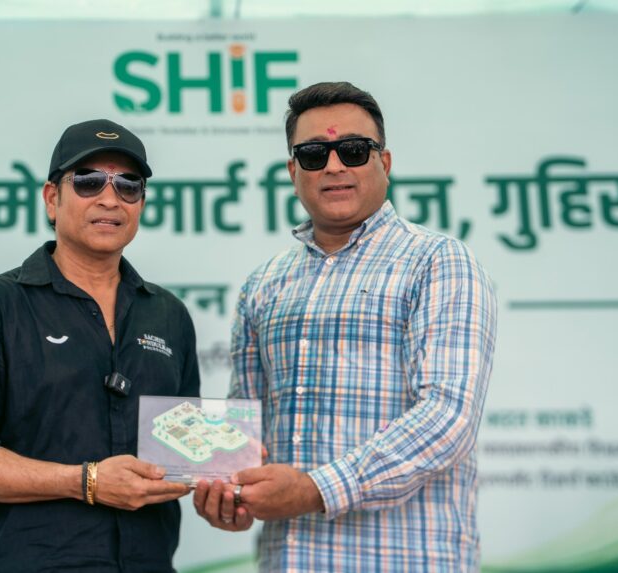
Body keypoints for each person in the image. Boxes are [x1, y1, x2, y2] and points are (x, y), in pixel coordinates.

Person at [194, 82, 498, 571]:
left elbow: (448, 418)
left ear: (385, 163)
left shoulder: (438, 262)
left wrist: (315, 489)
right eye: (314, 154)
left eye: (354, 150)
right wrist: (231, 492)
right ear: (293, 172)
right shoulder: (264, 284)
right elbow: (246, 429)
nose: (334, 166)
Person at [0, 119, 200, 572]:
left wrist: (226, 484)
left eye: (128, 185)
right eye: (89, 181)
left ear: (142, 203)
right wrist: (85, 481)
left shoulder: (169, 315)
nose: (110, 198)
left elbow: (183, 452)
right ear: (52, 199)